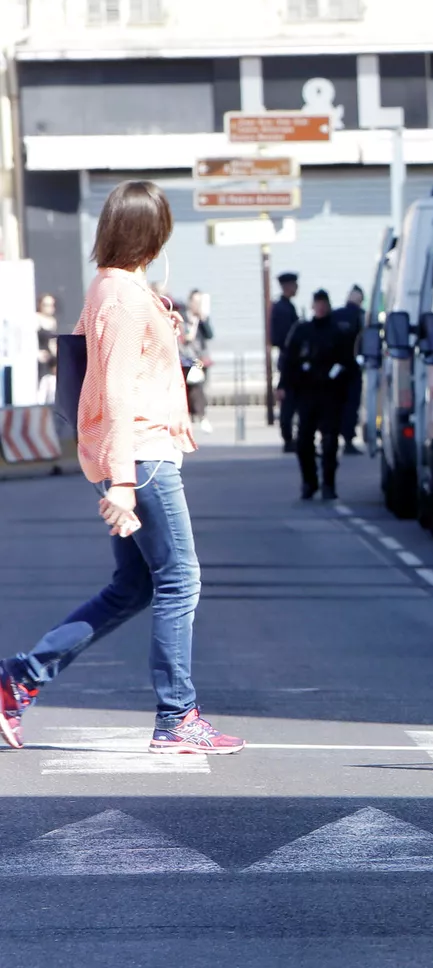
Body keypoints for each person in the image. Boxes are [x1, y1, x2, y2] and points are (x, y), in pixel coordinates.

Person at [0, 180, 244, 756]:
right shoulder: (123, 298)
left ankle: (18, 678)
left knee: (132, 587)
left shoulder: (115, 290)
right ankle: (176, 718)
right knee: (180, 580)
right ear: (151, 233)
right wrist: (126, 482)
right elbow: (112, 386)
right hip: (144, 456)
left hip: (136, 454)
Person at [277, 290, 355, 501]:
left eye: (324, 304)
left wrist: (340, 381)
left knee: (330, 441)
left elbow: (348, 363)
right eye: (317, 304)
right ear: (312, 306)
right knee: (304, 440)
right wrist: (284, 385)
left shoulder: (337, 332)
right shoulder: (302, 331)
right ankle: (309, 482)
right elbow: (288, 361)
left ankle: (328, 483)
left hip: (330, 393)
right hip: (307, 393)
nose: (320, 308)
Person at [270, 271, 301, 452]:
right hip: (289, 359)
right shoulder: (283, 308)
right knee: (288, 400)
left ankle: (290, 436)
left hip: (289, 358)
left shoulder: (285, 306)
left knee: (291, 399)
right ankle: (288, 437)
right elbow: (283, 337)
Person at [335, 285, 367, 455]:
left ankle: (333, 436)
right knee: (351, 403)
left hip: (335, 369)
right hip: (353, 368)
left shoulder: (335, 314)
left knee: (336, 404)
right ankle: (348, 439)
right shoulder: (361, 316)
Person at [181, 290, 213, 430]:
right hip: (185, 357)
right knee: (188, 387)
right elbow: (186, 337)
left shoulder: (202, 319)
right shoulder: (184, 317)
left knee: (198, 385)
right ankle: (192, 414)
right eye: (195, 302)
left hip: (199, 358)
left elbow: (210, 335)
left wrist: (203, 320)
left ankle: (200, 414)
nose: (197, 305)